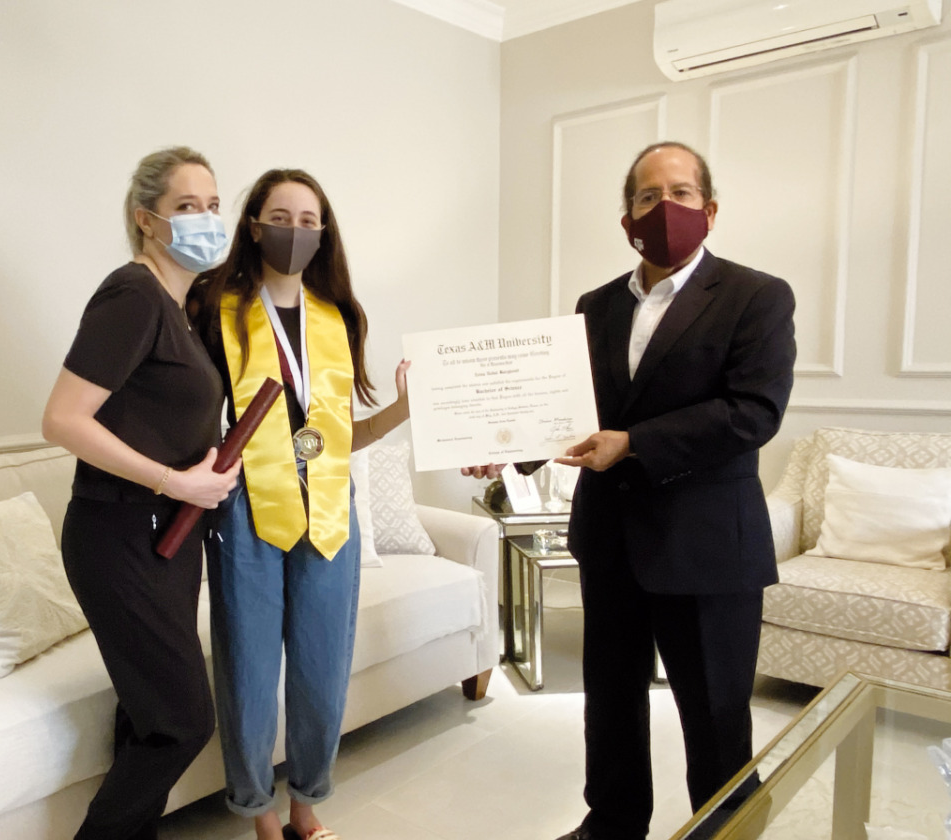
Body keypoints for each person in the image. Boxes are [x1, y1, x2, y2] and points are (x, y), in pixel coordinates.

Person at [468, 141, 795, 840]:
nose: (664, 207)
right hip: (611, 539)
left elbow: (753, 413)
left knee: (714, 714)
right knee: (610, 703)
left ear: (709, 209)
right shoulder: (595, 305)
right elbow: (568, 409)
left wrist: (636, 443)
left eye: (680, 193)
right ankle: (610, 824)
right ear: (627, 218)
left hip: (707, 547)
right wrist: (501, 451)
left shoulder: (756, 296)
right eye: (648, 196)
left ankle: (726, 830)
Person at [192, 168, 410, 840]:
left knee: (321, 667)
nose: (296, 230)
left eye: (310, 220)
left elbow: (342, 437)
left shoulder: (337, 316)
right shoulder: (215, 309)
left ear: (324, 232)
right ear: (254, 225)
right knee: (250, 673)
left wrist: (406, 409)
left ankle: (307, 805)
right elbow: (192, 419)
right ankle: (258, 812)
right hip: (248, 512)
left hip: (328, 513)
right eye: (281, 216)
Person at [42, 146, 242, 840]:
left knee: (146, 713)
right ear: (146, 219)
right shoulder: (133, 294)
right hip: (120, 532)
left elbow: (157, 417)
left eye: (214, 205)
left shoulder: (181, 308)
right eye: (188, 207)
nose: (207, 219)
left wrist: (204, 470)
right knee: (183, 721)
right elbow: (62, 419)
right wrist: (173, 479)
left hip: (169, 537)